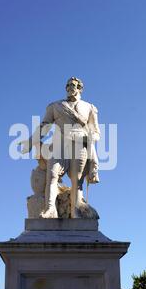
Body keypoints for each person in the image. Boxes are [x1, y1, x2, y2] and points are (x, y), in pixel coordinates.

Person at [19, 77, 100, 218]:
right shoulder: (55, 106)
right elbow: (44, 127)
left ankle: (76, 210)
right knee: (52, 174)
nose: (70, 87)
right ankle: (50, 209)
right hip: (60, 144)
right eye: (67, 85)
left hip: (80, 143)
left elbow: (96, 132)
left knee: (77, 179)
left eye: (73, 85)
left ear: (80, 88)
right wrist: (31, 142)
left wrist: (91, 138)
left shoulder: (90, 108)